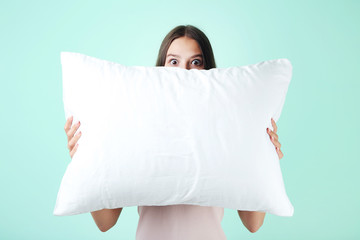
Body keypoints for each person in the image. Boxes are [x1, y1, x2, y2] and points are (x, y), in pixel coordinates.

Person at [63, 25, 284, 239]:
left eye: (196, 62)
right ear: (161, 67)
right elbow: (105, 223)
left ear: (208, 71)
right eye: (174, 61)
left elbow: (253, 224)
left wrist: (263, 154)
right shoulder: (136, 124)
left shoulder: (226, 128)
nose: (184, 71)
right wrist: (84, 158)